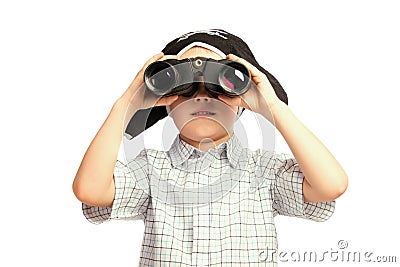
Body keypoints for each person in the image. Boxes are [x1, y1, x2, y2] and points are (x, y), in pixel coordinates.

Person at [72, 29, 348, 266]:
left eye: (221, 84)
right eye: (185, 85)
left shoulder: (263, 172)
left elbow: (330, 184)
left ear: (243, 99)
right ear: (165, 100)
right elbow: (91, 190)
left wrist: (272, 106)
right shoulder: (150, 169)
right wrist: (125, 106)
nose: (203, 97)